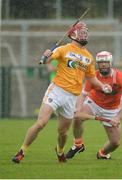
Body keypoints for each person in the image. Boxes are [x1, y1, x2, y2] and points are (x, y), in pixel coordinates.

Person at [12, 22, 112, 163]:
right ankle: (21, 151)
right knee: (41, 123)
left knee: (63, 133)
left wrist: (103, 86)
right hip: (57, 91)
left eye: (85, 32)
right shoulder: (63, 49)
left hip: (72, 97)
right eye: (81, 32)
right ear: (72, 34)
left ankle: (59, 151)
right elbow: (47, 61)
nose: (84, 34)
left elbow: (91, 78)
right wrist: (46, 56)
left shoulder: (89, 57)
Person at [66, 51, 122, 160]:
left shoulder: (120, 77)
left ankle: (102, 153)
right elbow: (82, 95)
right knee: (78, 117)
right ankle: (78, 144)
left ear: (110, 63)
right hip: (94, 103)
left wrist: (117, 117)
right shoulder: (93, 76)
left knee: (115, 143)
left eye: (106, 62)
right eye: (100, 63)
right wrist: (78, 109)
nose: (103, 65)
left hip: (111, 110)